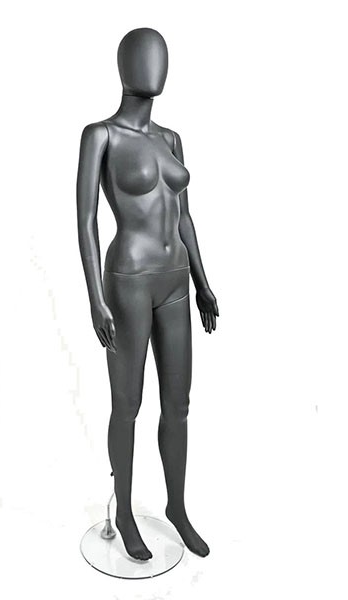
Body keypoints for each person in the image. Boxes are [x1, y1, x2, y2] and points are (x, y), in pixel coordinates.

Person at [76, 27, 218, 560]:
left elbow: (184, 217)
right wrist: (95, 297)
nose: (154, 67)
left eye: (161, 57)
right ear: (125, 66)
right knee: (128, 403)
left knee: (178, 403)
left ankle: (177, 507)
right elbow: (86, 220)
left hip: (175, 279)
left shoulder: (171, 140)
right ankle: (126, 513)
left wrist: (203, 281)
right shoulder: (101, 136)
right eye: (145, 56)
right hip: (129, 280)